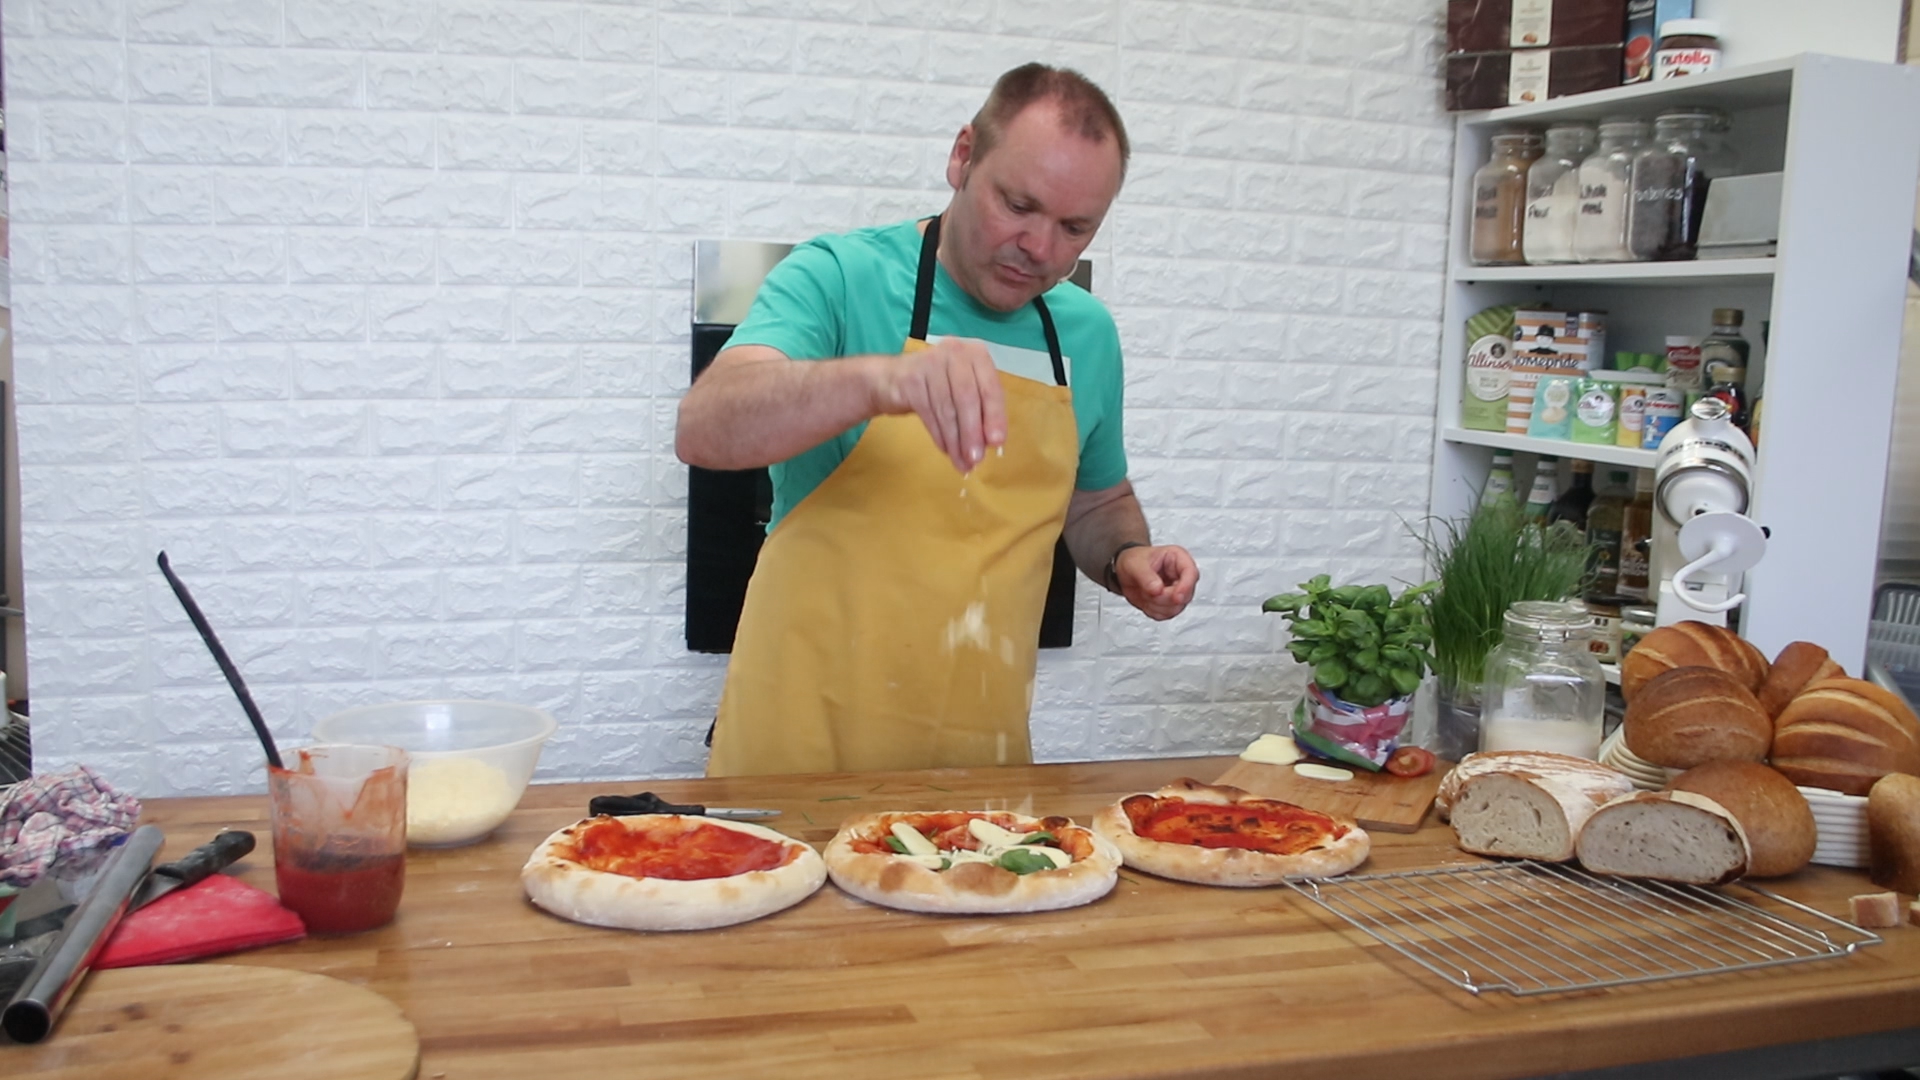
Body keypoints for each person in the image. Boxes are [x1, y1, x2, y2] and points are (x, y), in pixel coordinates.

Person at [677, 63, 1200, 777]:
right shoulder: (838, 275)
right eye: (1018, 205)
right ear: (962, 156)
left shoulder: (1085, 334)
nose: (1041, 249)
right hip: (798, 745)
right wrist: (880, 379)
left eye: (1075, 226)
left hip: (976, 766)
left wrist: (1126, 558)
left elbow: (1098, 499)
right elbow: (706, 426)